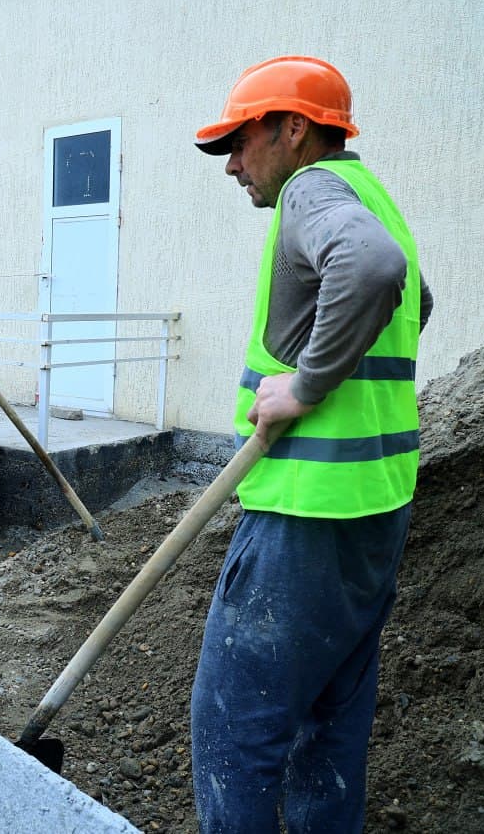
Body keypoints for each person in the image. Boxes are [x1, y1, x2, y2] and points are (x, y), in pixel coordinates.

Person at [189, 56, 433, 832]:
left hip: (305, 516)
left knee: (235, 731)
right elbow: (416, 300)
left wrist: (304, 387)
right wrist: (332, 361)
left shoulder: (312, 189)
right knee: (330, 730)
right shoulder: (375, 198)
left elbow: (371, 270)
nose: (232, 164)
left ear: (294, 130)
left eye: (242, 140)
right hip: (376, 511)